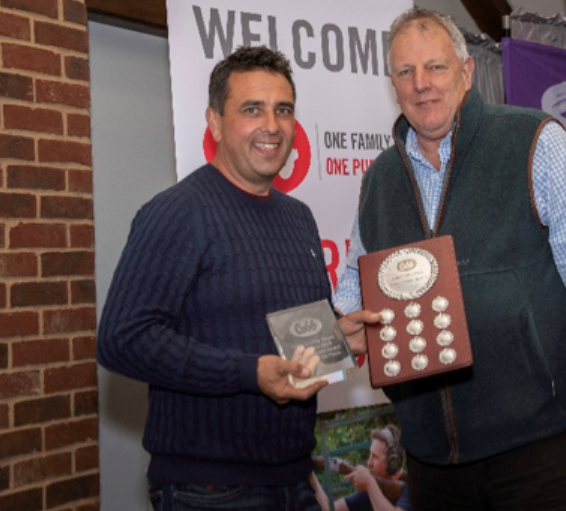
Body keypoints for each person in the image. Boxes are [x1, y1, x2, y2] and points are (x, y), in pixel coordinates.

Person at [333, 7, 566, 511]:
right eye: (406, 72)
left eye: (435, 67)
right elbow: (353, 286)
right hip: (431, 463)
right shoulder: (380, 180)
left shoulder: (534, 142)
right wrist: (330, 336)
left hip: (541, 447)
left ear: (466, 71)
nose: (422, 84)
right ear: (393, 84)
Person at [97, 45, 379, 511]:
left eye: (283, 110)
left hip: (295, 479)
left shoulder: (298, 218)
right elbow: (122, 339)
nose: (272, 126)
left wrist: (336, 336)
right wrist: (249, 372)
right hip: (208, 490)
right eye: (252, 109)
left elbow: (283, 331)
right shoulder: (177, 213)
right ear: (213, 122)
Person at [310, 425, 410, 511]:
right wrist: (309, 472)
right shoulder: (372, 488)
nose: (369, 462)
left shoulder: (412, 487)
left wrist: (370, 484)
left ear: (393, 462)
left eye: (375, 456)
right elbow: (329, 509)